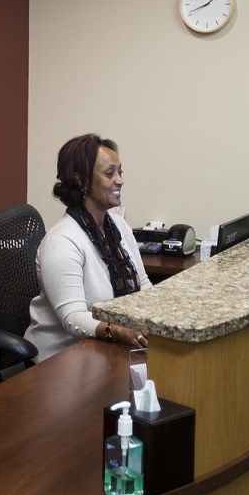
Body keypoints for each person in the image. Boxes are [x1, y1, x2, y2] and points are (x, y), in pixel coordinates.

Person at [24, 134, 152, 362]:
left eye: (120, 172)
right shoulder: (62, 241)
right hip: (61, 359)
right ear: (81, 180)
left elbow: (143, 286)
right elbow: (73, 317)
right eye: (110, 173)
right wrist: (120, 331)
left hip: (106, 349)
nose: (120, 180)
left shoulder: (119, 227)